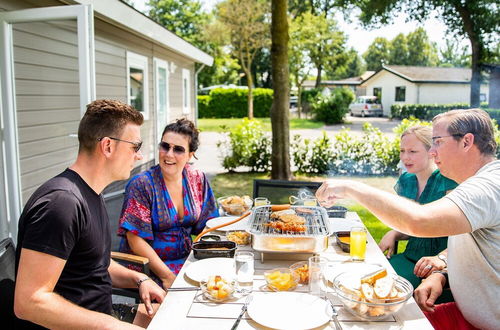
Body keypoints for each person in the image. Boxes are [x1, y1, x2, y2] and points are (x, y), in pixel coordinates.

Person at [316, 109, 499, 330]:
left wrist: (351, 188)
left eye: (438, 142)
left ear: (467, 142)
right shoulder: (480, 183)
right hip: (465, 314)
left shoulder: (488, 186)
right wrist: (442, 273)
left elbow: (419, 221)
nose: (432, 152)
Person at [14, 100, 166, 329]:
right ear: (107, 146)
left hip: (104, 313)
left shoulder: (91, 194)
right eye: (135, 146)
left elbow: (96, 263)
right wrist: (111, 325)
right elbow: (29, 302)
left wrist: (139, 279)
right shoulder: (61, 204)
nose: (140, 156)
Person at [117, 118, 219, 289]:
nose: (169, 154)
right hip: (148, 270)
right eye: (165, 146)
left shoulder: (197, 179)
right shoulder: (142, 185)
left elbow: (209, 225)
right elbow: (135, 240)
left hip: (187, 260)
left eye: (178, 149)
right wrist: (167, 276)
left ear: (190, 154)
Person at [378, 126, 457, 292]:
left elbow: (465, 238)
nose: (405, 157)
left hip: (438, 267)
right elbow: (413, 224)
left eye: (413, 151)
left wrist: (441, 259)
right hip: (410, 256)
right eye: (402, 151)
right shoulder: (406, 180)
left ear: (432, 152)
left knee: (390, 289)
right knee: (371, 276)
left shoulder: (448, 182)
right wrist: (394, 233)